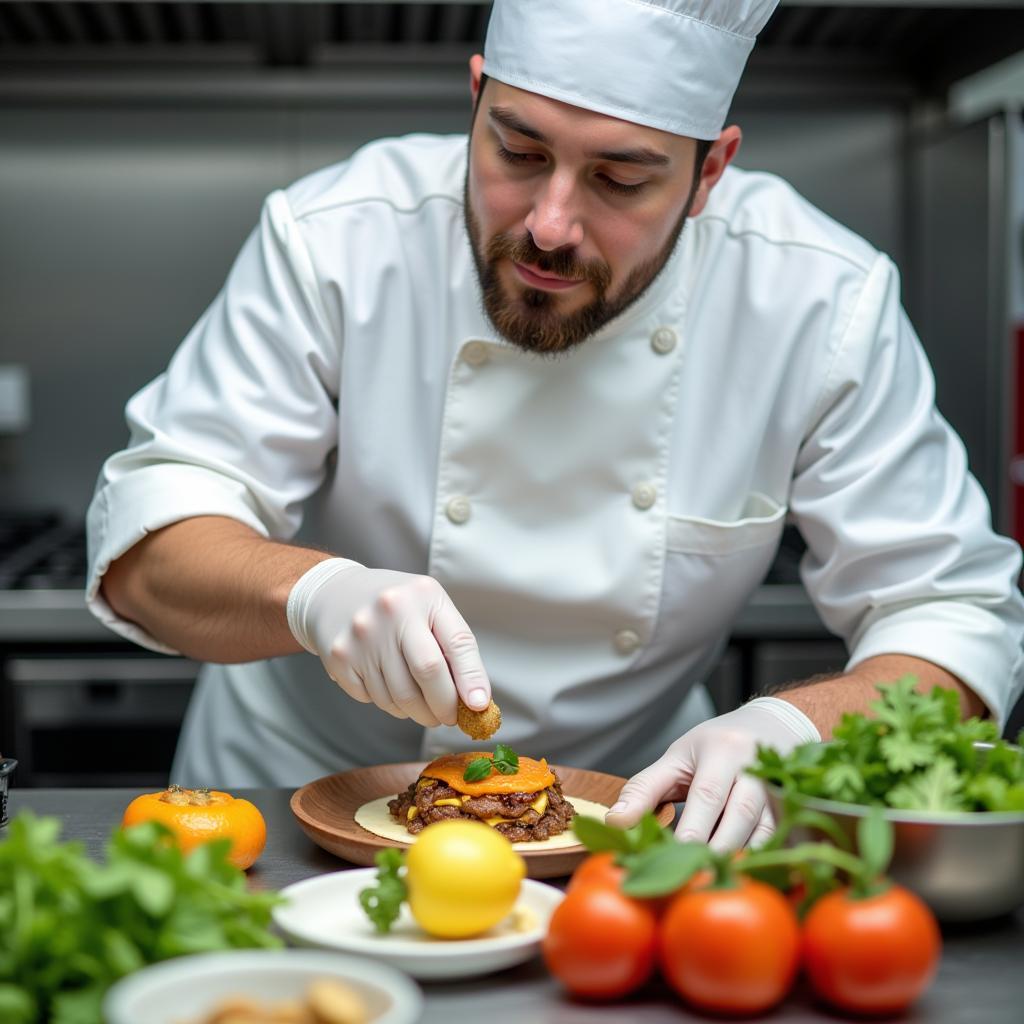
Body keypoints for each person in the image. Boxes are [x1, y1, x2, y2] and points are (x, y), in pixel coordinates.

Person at [86, 0, 1024, 851]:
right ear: (475, 97)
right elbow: (147, 544)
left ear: (710, 174)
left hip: (638, 821)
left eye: (621, 178)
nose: (549, 224)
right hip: (287, 805)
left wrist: (796, 728)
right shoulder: (337, 237)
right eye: (518, 151)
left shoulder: (818, 299)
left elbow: (954, 613)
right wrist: (315, 595)